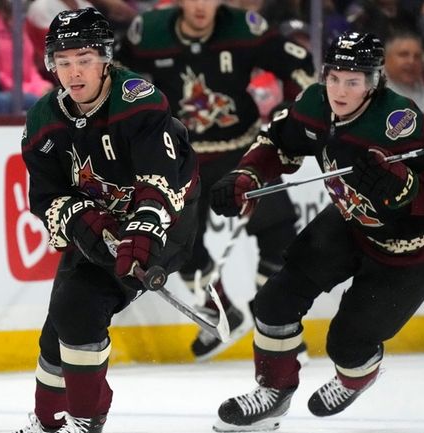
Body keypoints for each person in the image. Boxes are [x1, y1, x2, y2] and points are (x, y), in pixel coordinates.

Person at [208, 31, 424, 431]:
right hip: (352, 222)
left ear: (373, 83)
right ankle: (273, 392)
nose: (340, 89)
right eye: (334, 77)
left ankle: (357, 375)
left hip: (412, 249)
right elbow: (276, 141)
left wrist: (406, 188)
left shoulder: (399, 122)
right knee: (275, 300)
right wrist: (246, 176)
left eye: (353, 81)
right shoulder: (315, 103)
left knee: (348, 344)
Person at [15, 7, 199, 433]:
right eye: (63, 62)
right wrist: (79, 217)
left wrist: (142, 230)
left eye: (84, 60)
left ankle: (85, 419)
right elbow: (46, 196)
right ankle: (50, 423)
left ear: (105, 59)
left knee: (77, 309)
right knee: (59, 326)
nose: (74, 73)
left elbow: (159, 181)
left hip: (166, 222)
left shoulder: (138, 101)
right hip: (99, 222)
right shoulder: (44, 120)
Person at [115, 0, 315, 361]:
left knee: (280, 230)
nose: (200, 6)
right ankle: (220, 308)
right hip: (175, 154)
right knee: (175, 242)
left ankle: (272, 317)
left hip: (239, 151)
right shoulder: (148, 33)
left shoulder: (244, 29)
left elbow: (297, 60)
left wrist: (294, 114)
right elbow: (114, 76)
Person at [383, 31, 424, 113]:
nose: (411, 61)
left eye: (417, 56)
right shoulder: (372, 99)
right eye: (403, 55)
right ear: (385, 59)